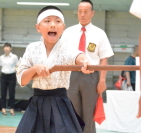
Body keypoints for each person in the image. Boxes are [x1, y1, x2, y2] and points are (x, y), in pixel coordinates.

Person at [15, 5, 94, 133]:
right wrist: (35, 68)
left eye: (58, 21)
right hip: (37, 104)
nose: (53, 25)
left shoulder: (67, 47)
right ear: (38, 27)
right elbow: (22, 80)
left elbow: (78, 56)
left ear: (63, 27)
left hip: (60, 104)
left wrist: (84, 61)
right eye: (47, 21)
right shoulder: (32, 48)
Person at [61, 0, 114, 132]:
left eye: (85, 12)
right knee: (72, 113)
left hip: (91, 77)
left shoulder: (99, 33)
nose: (82, 15)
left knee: (89, 115)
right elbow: (62, 55)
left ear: (92, 13)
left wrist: (102, 81)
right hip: (71, 76)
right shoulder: (68, 32)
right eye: (80, 11)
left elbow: (104, 59)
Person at [0, 43, 18, 115]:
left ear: (11, 48)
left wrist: (14, 72)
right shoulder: (1, 57)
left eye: (8, 47)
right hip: (3, 76)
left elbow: (17, 65)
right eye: (5, 47)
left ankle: (12, 109)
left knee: (11, 93)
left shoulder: (14, 57)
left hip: (12, 76)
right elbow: (1, 65)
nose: (6, 48)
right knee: (3, 93)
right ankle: (3, 109)